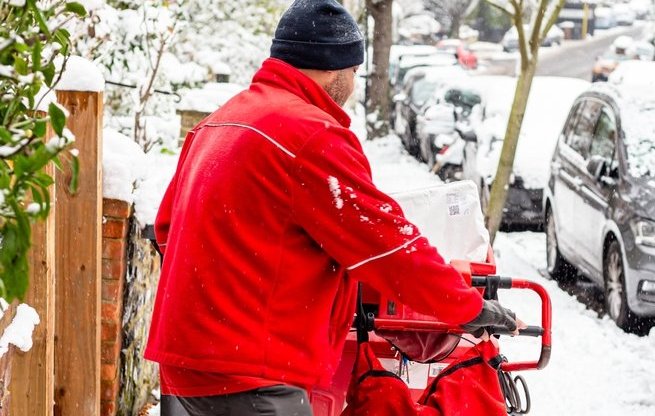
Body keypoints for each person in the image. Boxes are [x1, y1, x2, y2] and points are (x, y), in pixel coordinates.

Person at [145, 1, 522, 415]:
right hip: (253, 377)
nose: (355, 84)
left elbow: (166, 229)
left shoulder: (219, 122)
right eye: (355, 72)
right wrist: (469, 307)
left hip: (184, 370)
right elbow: (389, 246)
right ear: (334, 67)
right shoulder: (310, 136)